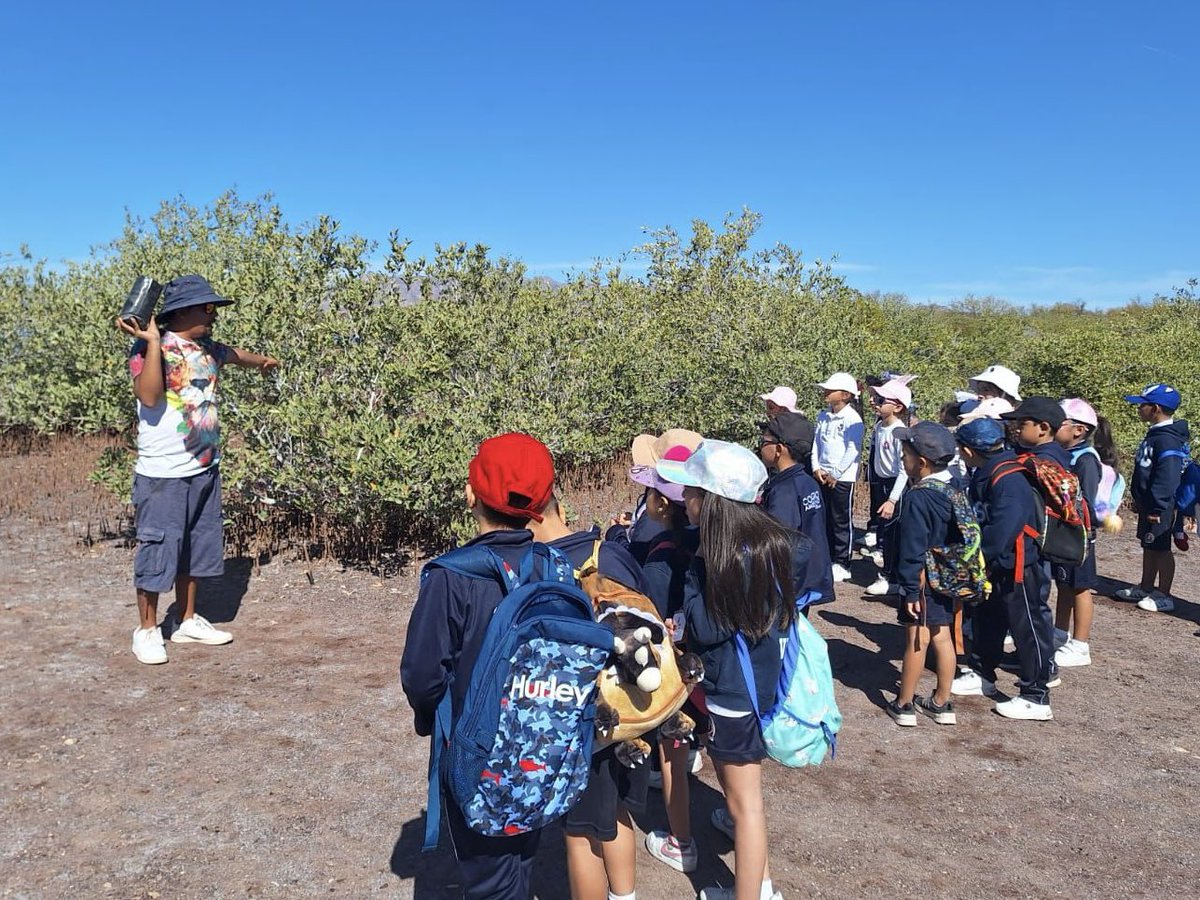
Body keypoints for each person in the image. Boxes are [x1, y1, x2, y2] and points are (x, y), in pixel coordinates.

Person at [401, 432, 554, 900]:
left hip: (476, 753)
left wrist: (430, 718)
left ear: (471, 494)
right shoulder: (555, 566)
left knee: (489, 877)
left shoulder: (452, 576)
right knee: (519, 857)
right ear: (543, 503)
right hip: (544, 746)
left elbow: (421, 675)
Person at [657, 439, 811, 900]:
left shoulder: (718, 561)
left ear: (711, 502)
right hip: (763, 682)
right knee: (746, 804)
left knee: (745, 806)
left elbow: (705, 627)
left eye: (691, 493)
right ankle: (757, 887)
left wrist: (692, 578)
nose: (684, 499)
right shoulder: (776, 545)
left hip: (731, 695)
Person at [115, 274, 279, 665]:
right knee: (158, 548)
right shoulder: (148, 348)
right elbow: (150, 396)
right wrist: (152, 341)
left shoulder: (206, 347)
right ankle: (147, 630)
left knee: (196, 546)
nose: (213, 315)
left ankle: (186, 620)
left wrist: (265, 362)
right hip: (163, 473)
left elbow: (235, 354)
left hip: (204, 467)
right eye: (206, 308)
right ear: (180, 312)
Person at [524, 496, 649, 900]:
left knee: (580, 834)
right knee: (615, 812)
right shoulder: (610, 551)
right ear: (560, 510)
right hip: (632, 712)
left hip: (583, 721)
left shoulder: (537, 570)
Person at [630, 445, 705, 876]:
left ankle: (682, 843)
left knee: (672, 748)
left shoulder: (660, 560)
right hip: (711, 670)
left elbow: (654, 625)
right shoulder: (702, 542)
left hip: (677, 672)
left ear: (660, 504)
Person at [950, 417, 1055, 721]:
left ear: (969, 450)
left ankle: (1037, 695)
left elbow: (1005, 527)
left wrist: (977, 558)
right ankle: (983, 673)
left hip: (1020, 565)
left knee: (1028, 627)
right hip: (998, 563)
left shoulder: (1009, 477)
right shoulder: (989, 470)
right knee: (988, 618)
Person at [885, 422, 961, 727]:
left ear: (923, 462)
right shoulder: (954, 489)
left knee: (916, 639)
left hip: (922, 579)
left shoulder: (919, 497)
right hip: (947, 575)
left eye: (905, 455)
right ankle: (941, 702)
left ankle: (904, 703)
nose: (902, 460)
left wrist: (910, 588)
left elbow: (912, 547)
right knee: (943, 638)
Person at [1115, 384, 1190, 613]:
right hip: (1150, 503)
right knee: (1148, 544)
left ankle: (1164, 595)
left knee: (1161, 548)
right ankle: (1146, 586)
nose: (1139, 409)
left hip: (1162, 505)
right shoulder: (1155, 434)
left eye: (1142, 405)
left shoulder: (1167, 440)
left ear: (1155, 408)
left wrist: (1158, 506)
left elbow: (1166, 476)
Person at [1052, 399, 1114, 668]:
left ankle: (1080, 644)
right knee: (1064, 584)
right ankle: (1059, 633)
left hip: (1080, 534)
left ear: (1078, 430)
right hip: (1065, 532)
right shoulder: (1065, 454)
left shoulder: (1086, 460)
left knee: (1080, 587)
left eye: (1059, 423)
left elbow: (1086, 499)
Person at [758, 412, 834, 608]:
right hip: (808, 576)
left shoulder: (784, 491)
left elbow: (779, 540)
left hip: (789, 585)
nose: (760, 445)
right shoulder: (808, 482)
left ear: (779, 450)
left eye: (764, 441)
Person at [608, 429, 703, 561]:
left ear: (661, 504)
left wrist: (616, 533)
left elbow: (633, 561)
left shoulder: (655, 525)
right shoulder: (695, 529)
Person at [812, 372, 864, 583]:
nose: (826, 392)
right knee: (823, 518)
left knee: (841, 520)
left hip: (842, 477)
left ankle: (843, 562)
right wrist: (816, 467)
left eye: (830, 390)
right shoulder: (823, 416)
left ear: (844, 395)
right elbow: (816, 443)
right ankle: (827, 557)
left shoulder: (853, 419)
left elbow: (853, 449)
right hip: (822, 474)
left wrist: (837, 473)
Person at [865, 380, 912, 596]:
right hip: (882, 483)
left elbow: (904, 470)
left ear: (898, 407)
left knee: (893, 532)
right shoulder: (879, 426)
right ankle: (888, 572)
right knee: (884, 530)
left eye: (882, 400)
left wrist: (893, 499)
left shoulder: (899, 431)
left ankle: (890, 577)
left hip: (896, 486)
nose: (875, 402)